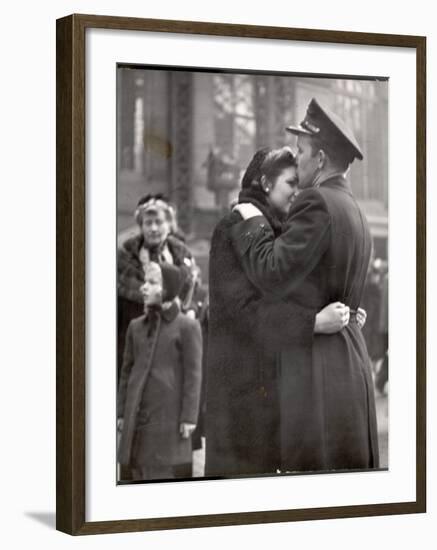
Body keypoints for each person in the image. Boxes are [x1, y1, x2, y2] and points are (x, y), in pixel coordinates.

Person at [232, 99, 379, 473]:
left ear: (321, 158)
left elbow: (271, 271)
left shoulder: (316, 201)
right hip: (350, 365)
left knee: (310, 485)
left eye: (301, 151)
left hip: (316, 373)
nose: (296, 161)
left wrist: (250, 220)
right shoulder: (357, 212)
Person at [205, 146, 364, 478]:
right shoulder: (233, 226)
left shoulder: (275, 227)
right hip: (240, 399)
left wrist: (343, 311)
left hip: (268, 396)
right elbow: (243, 313)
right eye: (291, 183)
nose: (298, 190)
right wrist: (313, 323)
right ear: (265, 182)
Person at [117, 262, 202, 481]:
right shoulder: (136, 327)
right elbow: (126, 373)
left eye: (152, 282)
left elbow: (193, 375)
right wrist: (120, 412)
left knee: (163, 475)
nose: (143, 288)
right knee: (133, 474)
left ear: (169, 289)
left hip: (168, 420)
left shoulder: (187, 327)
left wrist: (189, 417)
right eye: (145, 281)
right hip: (136, 418)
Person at [117, 195, 195, 382]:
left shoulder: (181, 255)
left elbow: (187, 293)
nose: (153, 228)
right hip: (133, 333)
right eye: (147, 223)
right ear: (141, 226)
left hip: (172, 339)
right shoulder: (126, 256)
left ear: (169, 226)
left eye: (158, 222)